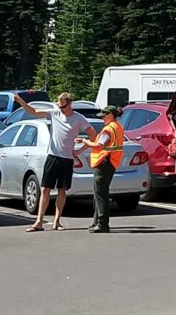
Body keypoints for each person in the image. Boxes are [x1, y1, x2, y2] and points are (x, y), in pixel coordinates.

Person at [14, 90, 89, 232]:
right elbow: (34, 112)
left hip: (67, 159)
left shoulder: (79, 118)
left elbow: (93, 134)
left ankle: (57, 221)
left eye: (63, 107)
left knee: (62, 190)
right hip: (52, 156)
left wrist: (79, 150)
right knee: (45, 189)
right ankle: (39, 221)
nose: (60, 109)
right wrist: (21, 101)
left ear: (70, 104)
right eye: (59, 106)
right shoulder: (54, 113)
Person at [86, 105, 124, 234]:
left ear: (110, 115)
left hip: (104, 162)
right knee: (100, 193)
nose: (102, 118)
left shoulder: (108, 129)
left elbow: (99, 144)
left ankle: (102, 224)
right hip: (111, 162)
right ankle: (96, 221)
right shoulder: (117, 127)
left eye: (104, 115)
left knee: (101, 195)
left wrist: (86, 142)